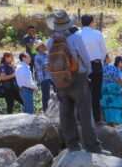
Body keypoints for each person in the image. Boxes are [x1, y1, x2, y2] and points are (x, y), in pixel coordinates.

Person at [46, 10, 106, 154]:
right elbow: (85, 58)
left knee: (66, 114)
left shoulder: (50, 42)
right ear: (68, 24)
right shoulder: (75, 38)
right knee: (85, 113)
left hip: (60, 80)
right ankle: (92, 147)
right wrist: (88, 72)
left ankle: (73, 146)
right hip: (78, 78)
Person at [77, 14, 108, 125]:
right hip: (96, 66)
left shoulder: (77, 34)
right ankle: (97, 119)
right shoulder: (97, 34)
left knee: (82, 93)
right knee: (96, 93)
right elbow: (104, 51)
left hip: (82, 67)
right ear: (91, 22)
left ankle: (82, 119)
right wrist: (101, 62)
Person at [34, 40, 57, 112]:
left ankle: (55, 109)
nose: (44, 46)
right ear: (39, 47)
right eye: (42, 45)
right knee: (46, 96)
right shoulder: (38, 57)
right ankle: (45, 111)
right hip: (44, 78)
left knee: (58, 92)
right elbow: (47, 66)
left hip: (49, 77)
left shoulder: (45, 54)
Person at [102, 55, 122, 126]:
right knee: (114, 108)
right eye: (109, 56)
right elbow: (116, 78)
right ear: (106, 58)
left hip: (104, 90)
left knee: (107, 107)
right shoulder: (111, 67)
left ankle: (108, 125)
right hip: (114, 90)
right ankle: (114, 125)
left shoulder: (100, 67)